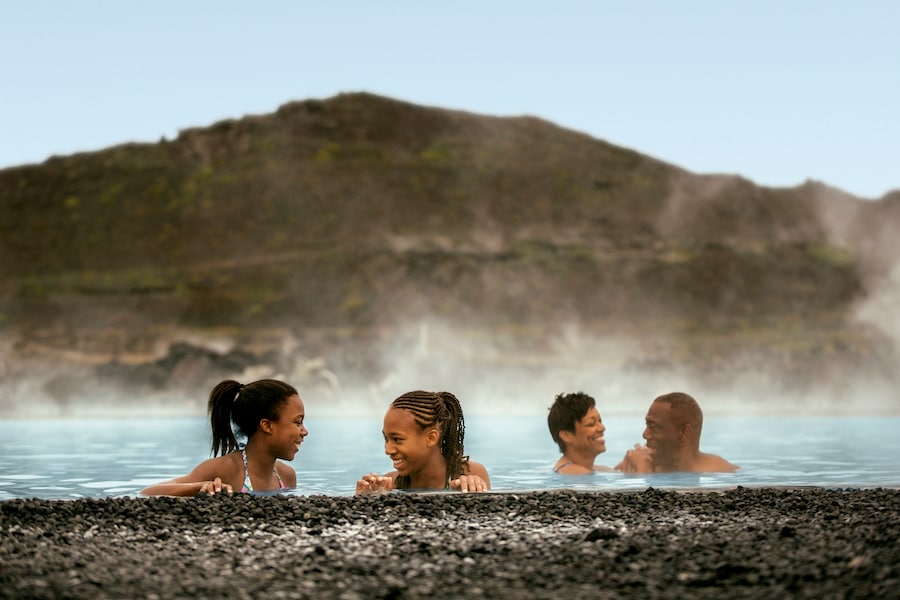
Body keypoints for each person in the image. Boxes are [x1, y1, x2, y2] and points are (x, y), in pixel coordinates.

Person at [141, 379, 308, 496]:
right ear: (267, 426)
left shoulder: (286, 476)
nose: (304, 431)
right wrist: (200, 487)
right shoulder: (226, 469)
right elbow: (149, 491)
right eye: (297, 422)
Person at [356, 390, 490, 493]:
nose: (388, 450)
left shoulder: (470, 474)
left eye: (397, 439)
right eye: (386, 439)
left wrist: (474, 491)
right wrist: (365, 501)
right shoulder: (390, 485)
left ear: (431, 438)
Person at [616, 391, 737, 473]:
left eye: (653, 427)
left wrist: (641, 475)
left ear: (684, 432)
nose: (645, 435)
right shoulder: (632, 463)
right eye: (646, 425)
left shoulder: (721, 471)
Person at [548, 392, 613, 474]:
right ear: (567, 436)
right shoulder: (573, 472)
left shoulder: (590, 469)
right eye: (591, 424)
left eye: (600, 421)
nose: (602, 428)